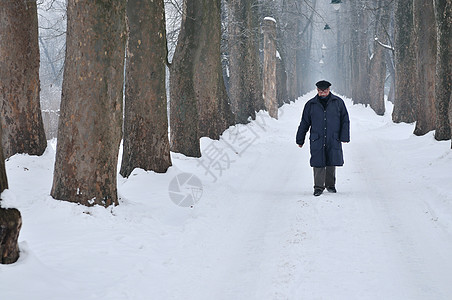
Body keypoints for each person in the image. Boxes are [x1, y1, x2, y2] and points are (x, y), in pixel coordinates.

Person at [296, 80, 350, 196]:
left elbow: (345, 120)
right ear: (317, 91)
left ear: (329, 90)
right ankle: (318, 187)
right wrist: (300, 139)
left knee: (332, 160)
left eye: (325, 91)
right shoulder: (311, 104)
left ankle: (330, 185)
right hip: (317, 138)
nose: (323, 93)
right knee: (318, 161)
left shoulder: (338, 102)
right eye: (320, 91)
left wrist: (344, 136)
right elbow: (304, 122)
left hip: (333, 137)